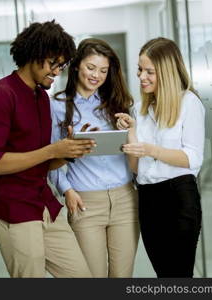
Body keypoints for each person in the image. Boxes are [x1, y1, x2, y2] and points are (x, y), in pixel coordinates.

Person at [0, 20, 96, 278]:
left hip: (43, 203)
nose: (57, 71)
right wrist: (52, 151)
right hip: (13, 209)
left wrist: (69, 151)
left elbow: (42, 160)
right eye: (53, 63)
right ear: (34, 55)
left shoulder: (41, 97)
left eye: (62, 65)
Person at [49, 38, 139, 278]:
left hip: (125, 199)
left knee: (123, 277)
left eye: (103, 70)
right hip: (85, 201)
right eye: (91, 67)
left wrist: (130, 129)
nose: (96, 75)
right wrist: (66, 189)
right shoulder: (57, 106)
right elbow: (52, 157)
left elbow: (135, 152)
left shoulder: (117, 104)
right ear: (77, 65)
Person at [116, 37, 205, 277]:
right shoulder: (139, 111)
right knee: (163, 275)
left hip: (179, 197)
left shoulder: (189, 103)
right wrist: (131, 133)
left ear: (165, 72)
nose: (141, 76)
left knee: (179, 275)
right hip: (147, 199)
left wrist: (150, 149)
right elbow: (135, 169)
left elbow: (192, 158)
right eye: (140, 69)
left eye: (149, 71)